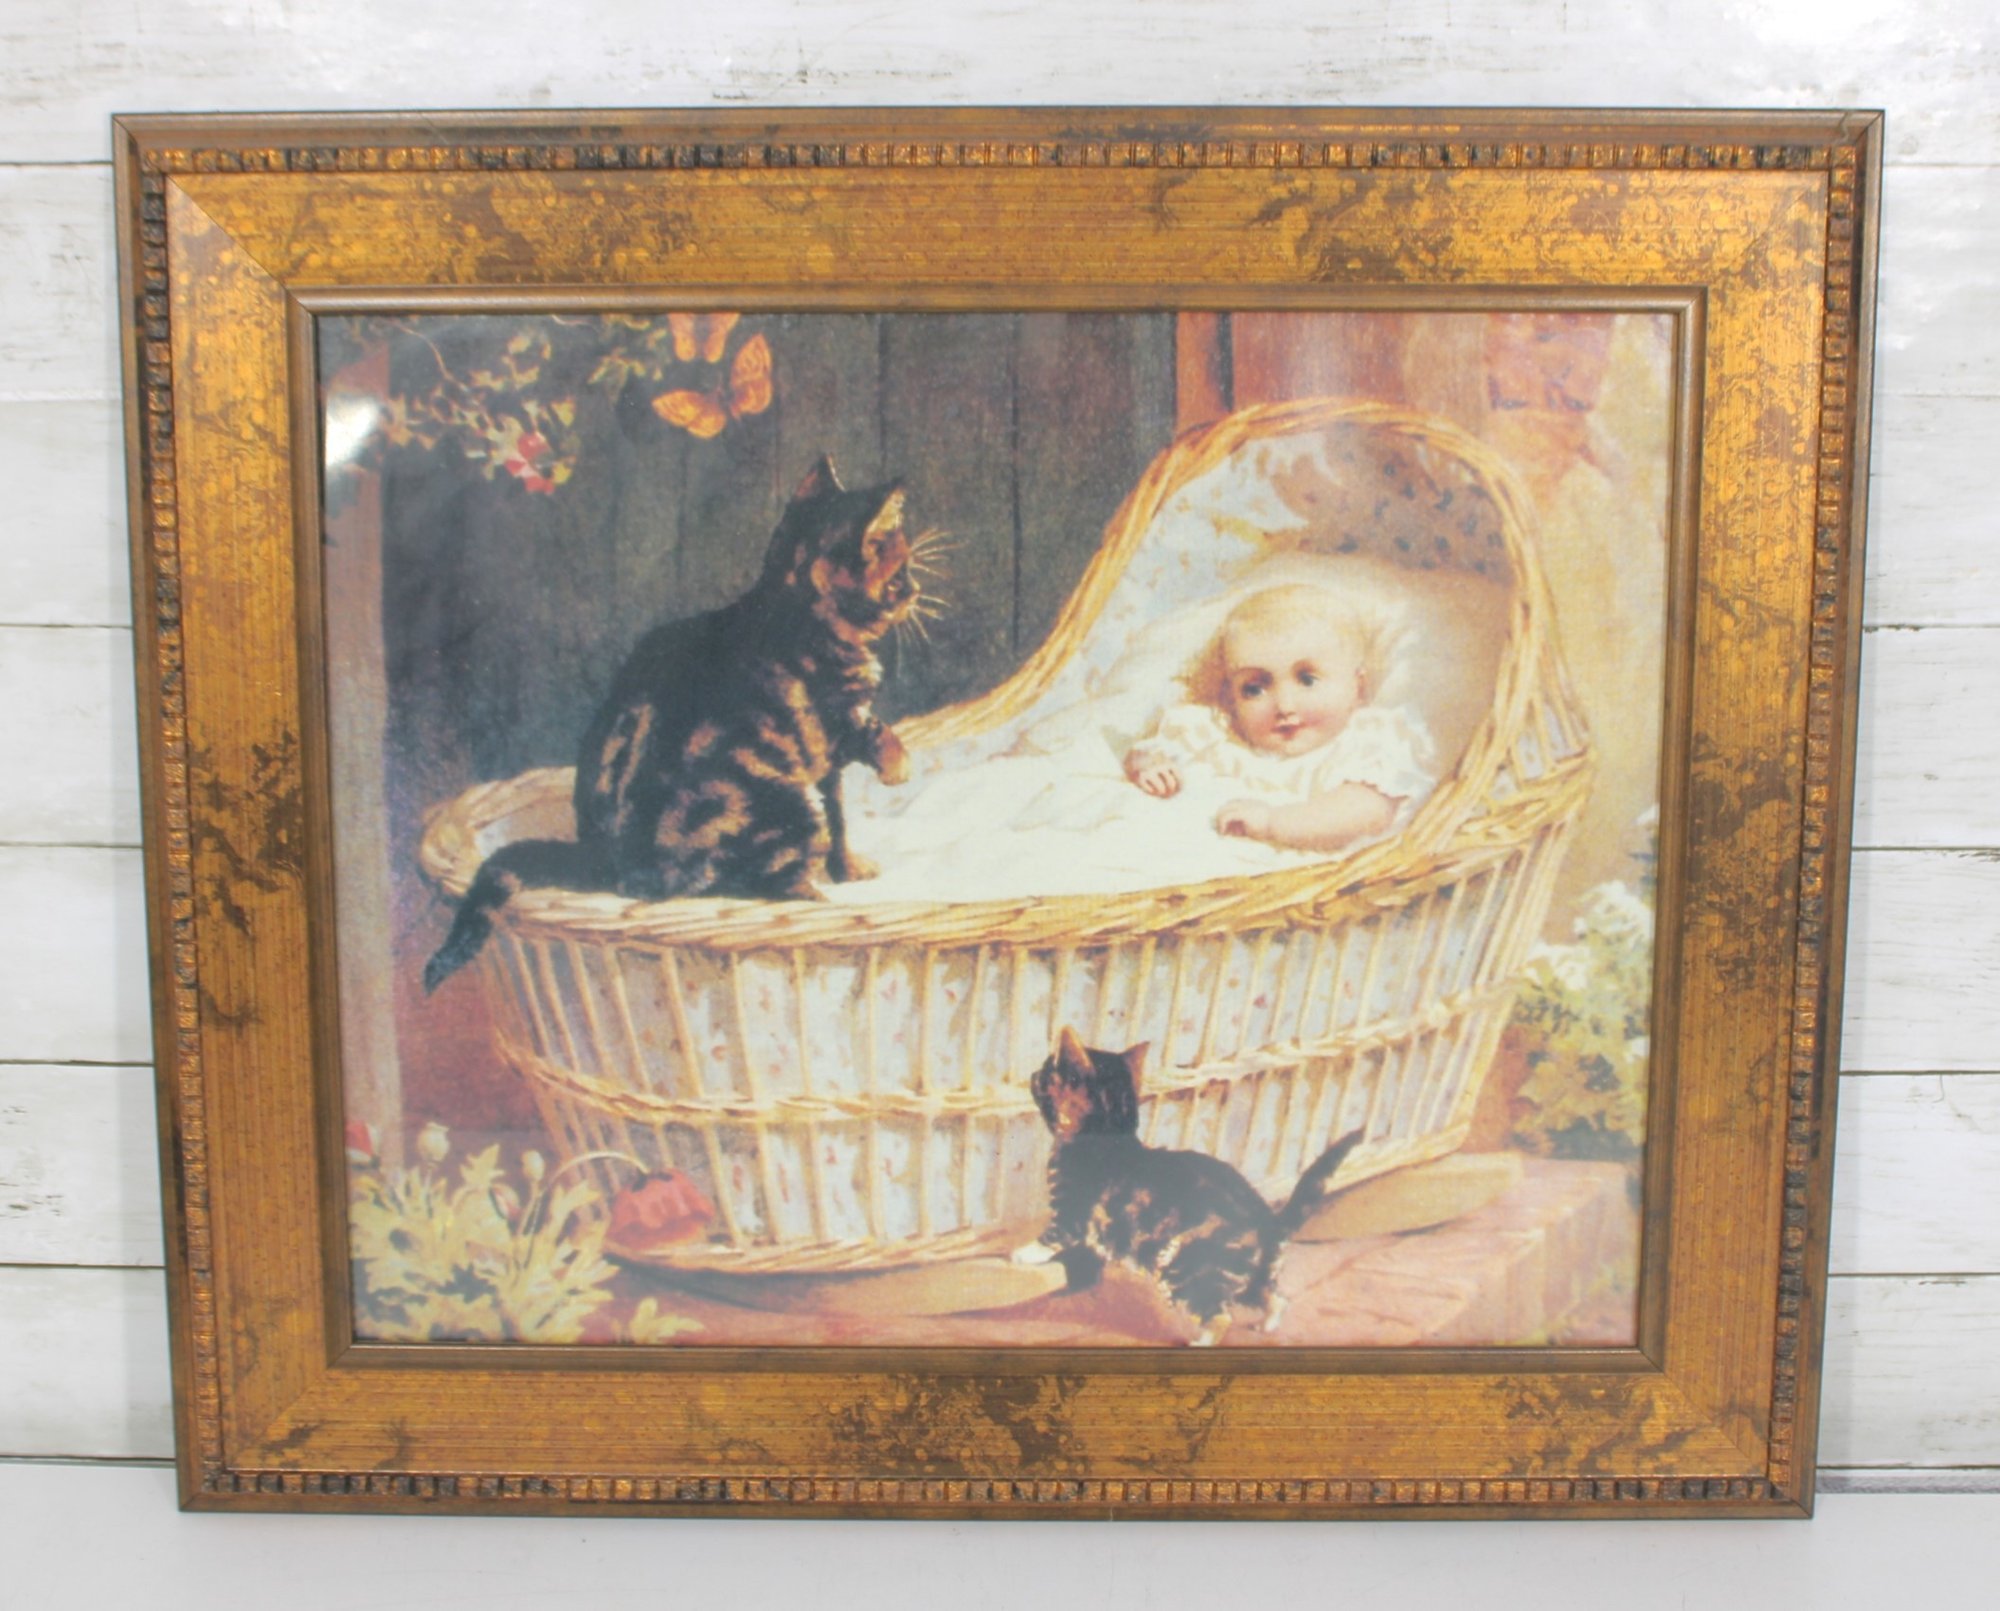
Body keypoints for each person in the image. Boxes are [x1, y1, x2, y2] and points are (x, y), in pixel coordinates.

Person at [1122, 584, 1436, 853]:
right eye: (1254, 689)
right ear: (1232, 697)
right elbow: (1148, 749)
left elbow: (1367, 813)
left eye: (1307, 680)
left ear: (1358, 687)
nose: (1284, 705)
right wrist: (1150, 766)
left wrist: (1273, 823)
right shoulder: (1220, 736)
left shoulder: (1366, 741)